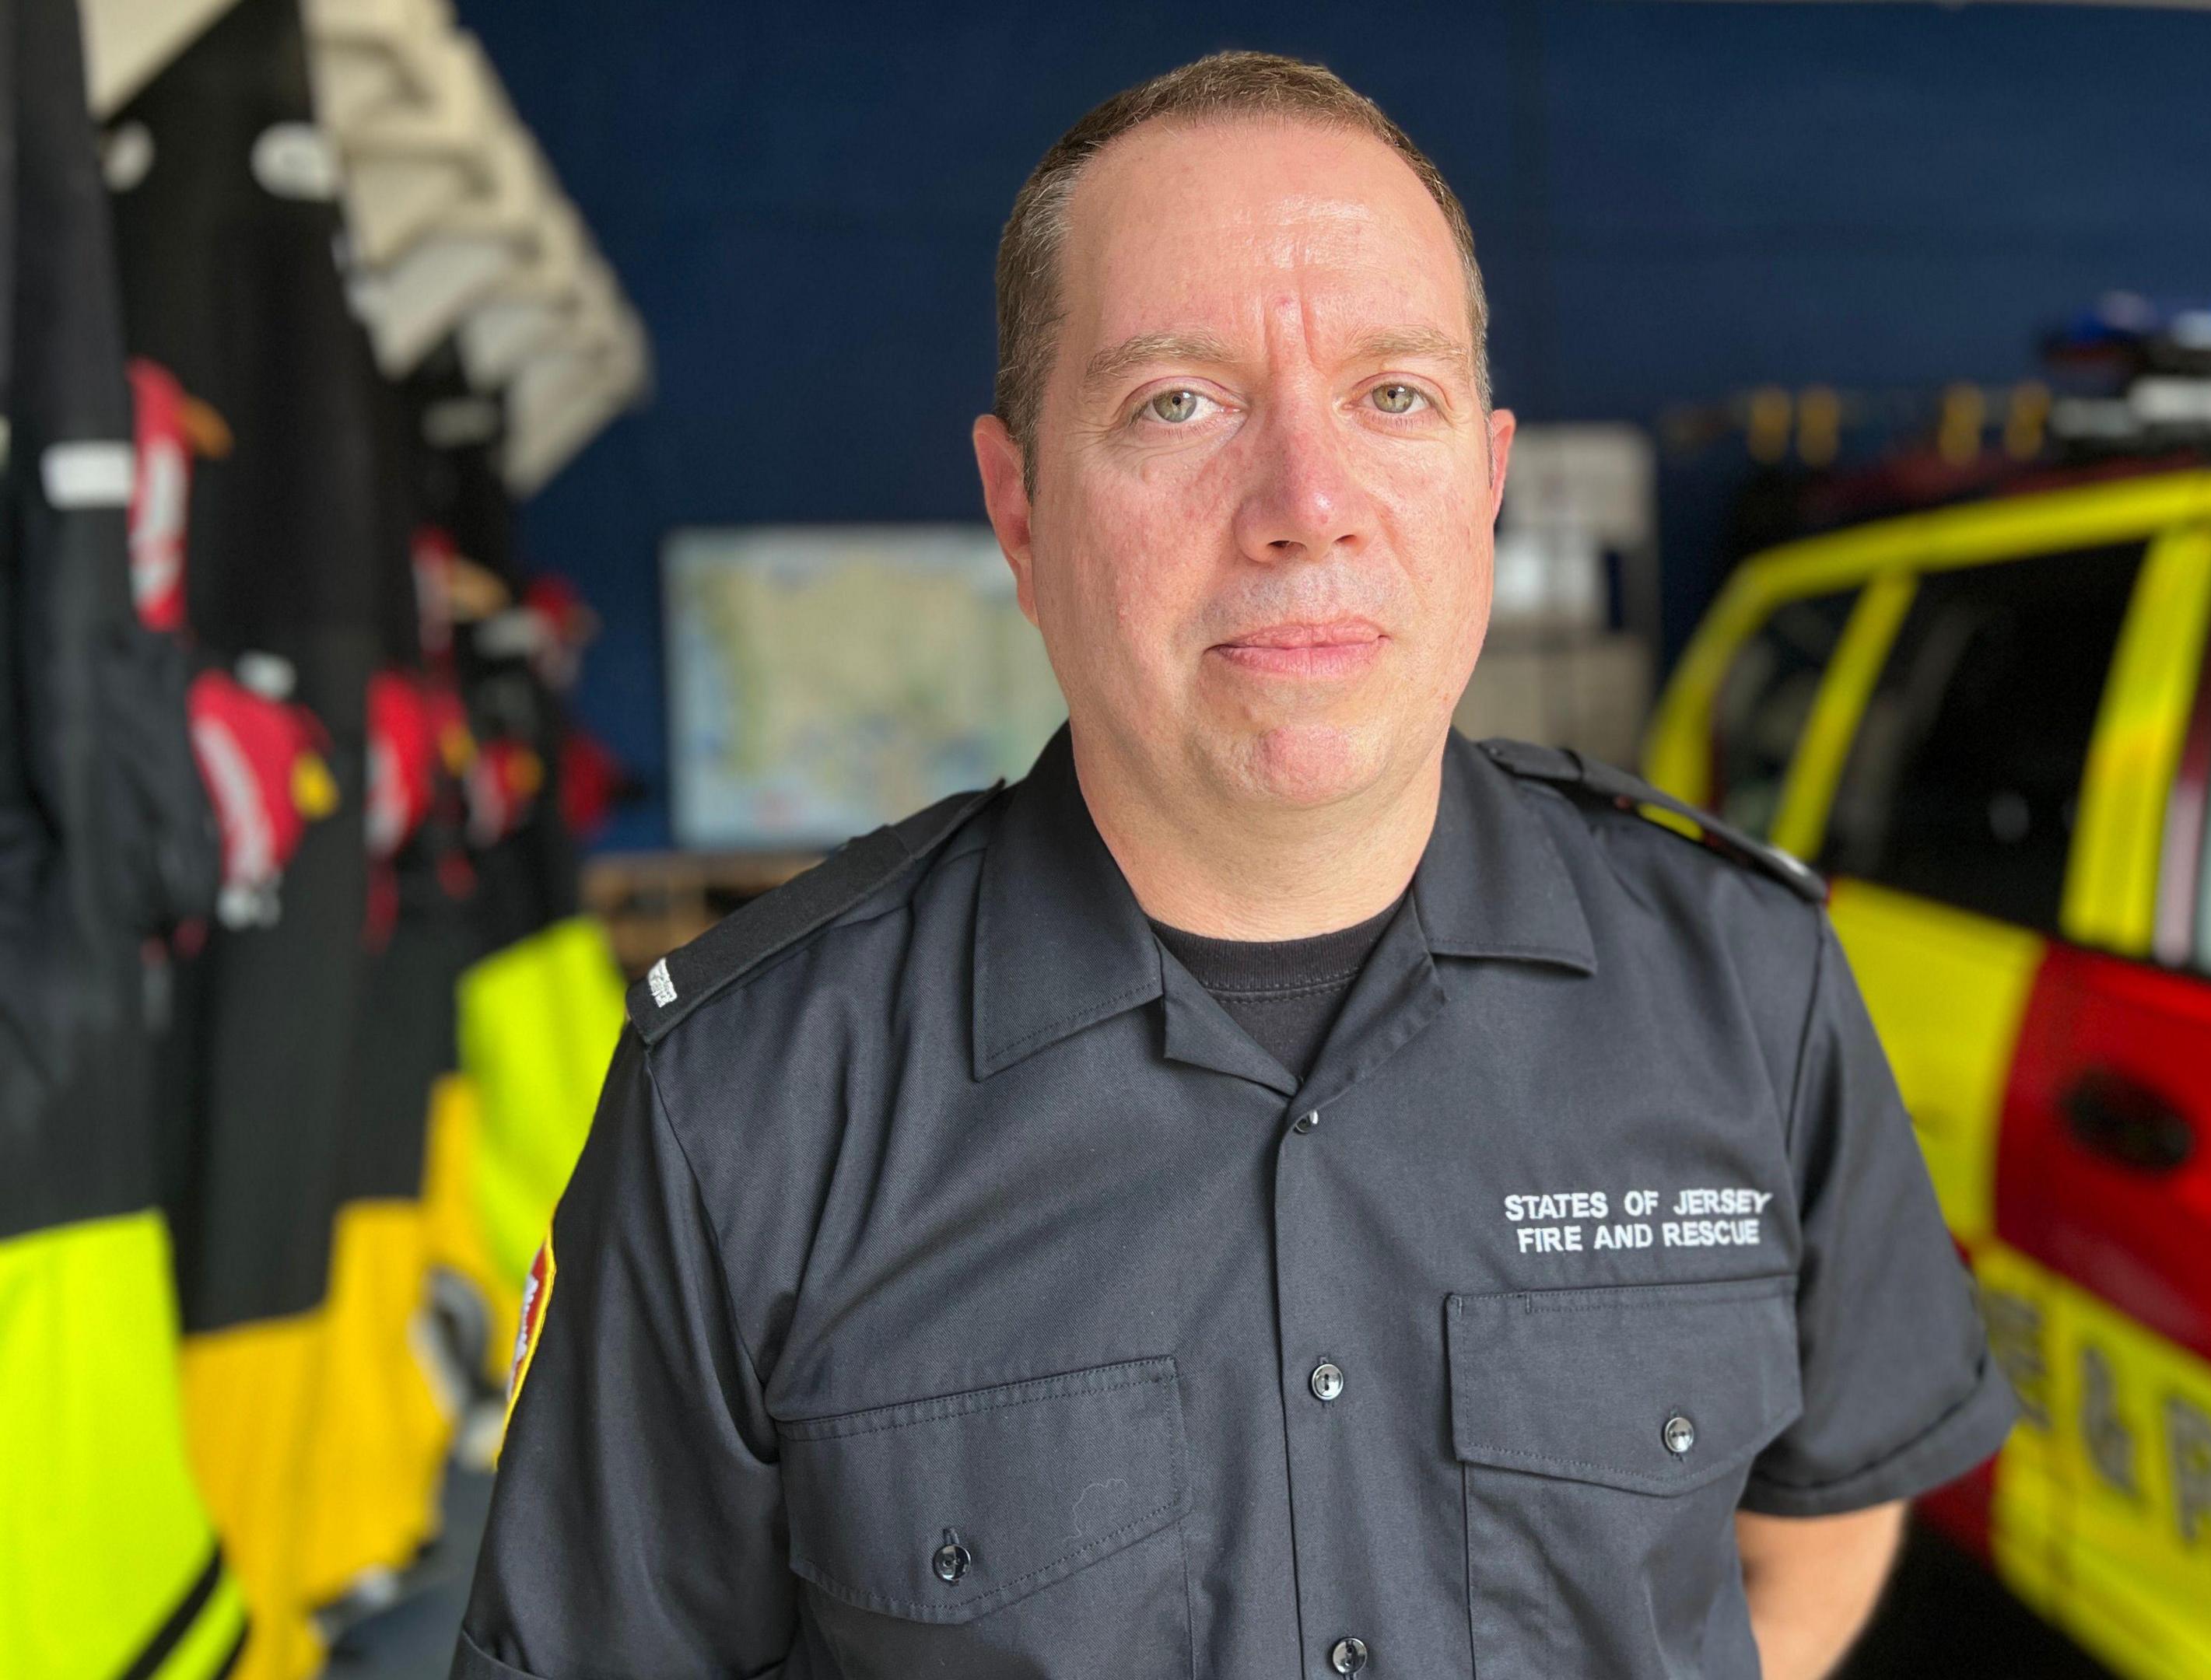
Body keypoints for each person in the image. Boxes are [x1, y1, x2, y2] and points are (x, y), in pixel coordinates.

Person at [454, 51, 2010, 1680]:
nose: (1306, 505)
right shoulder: (749, 1101)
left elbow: (1820, 1521)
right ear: (1023, 509)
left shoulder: (1748, 983)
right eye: (1176, 402)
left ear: (1485, 483)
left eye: (1390, 395)